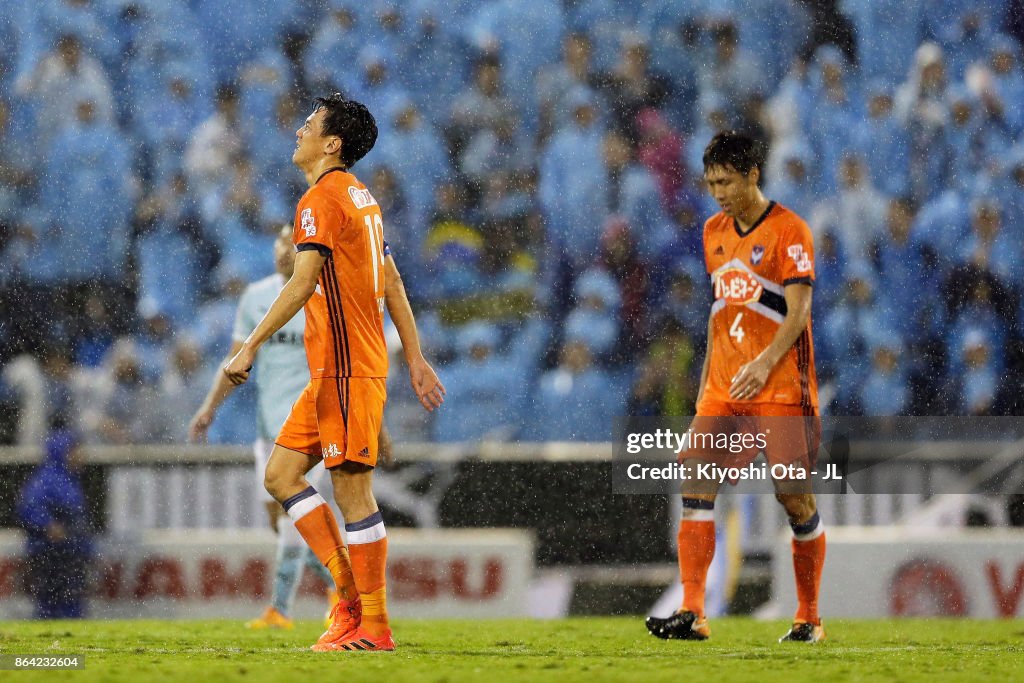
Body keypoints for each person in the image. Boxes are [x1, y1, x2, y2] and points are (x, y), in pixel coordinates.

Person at [224, 93, 444, 653]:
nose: (299, 129)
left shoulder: (321, 198)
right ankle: (348, 600)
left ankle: (375, 627)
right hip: (337, 371)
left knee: (353, 496)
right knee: (279, 476)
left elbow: (300, 285)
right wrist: (414, 359)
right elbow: (391, 282)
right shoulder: (361, 198)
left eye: (310, 123)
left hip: (348, 369)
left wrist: (249, 345)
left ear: (332, 143)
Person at [646, 131, 826, 644]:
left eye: (726, 181)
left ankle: (809, 616)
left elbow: (799, 314)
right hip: (726, 387)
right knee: (695, 479)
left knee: (793, 499)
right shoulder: (712, 233)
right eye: (710, 183)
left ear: (753, 174)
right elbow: (719, 315)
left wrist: (765, 362)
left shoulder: (791, 231)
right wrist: (706, 394)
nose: (718, 192)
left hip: (780, 386)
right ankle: (694, 611)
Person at [190, 225, 336, 630]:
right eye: (278, 240)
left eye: (292, 242)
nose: (283, 248)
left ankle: (281, 609)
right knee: (280, 520)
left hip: (309, 426)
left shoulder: (322, 295)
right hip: (266, 427)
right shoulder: (255, 297)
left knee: (292, 517)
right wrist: (209, 408)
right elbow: (238, 359)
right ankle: (339, 586)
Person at [17, 427, 94, 619]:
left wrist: (87, 549)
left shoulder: (70, 479)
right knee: (51, 605)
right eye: (74, 449)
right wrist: (48, 525)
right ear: (62, 451)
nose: (80, 455)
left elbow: (77, 521)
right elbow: (28, 508)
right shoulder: (48, 479)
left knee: (71, 604)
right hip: (51, 554)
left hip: (69, 553)